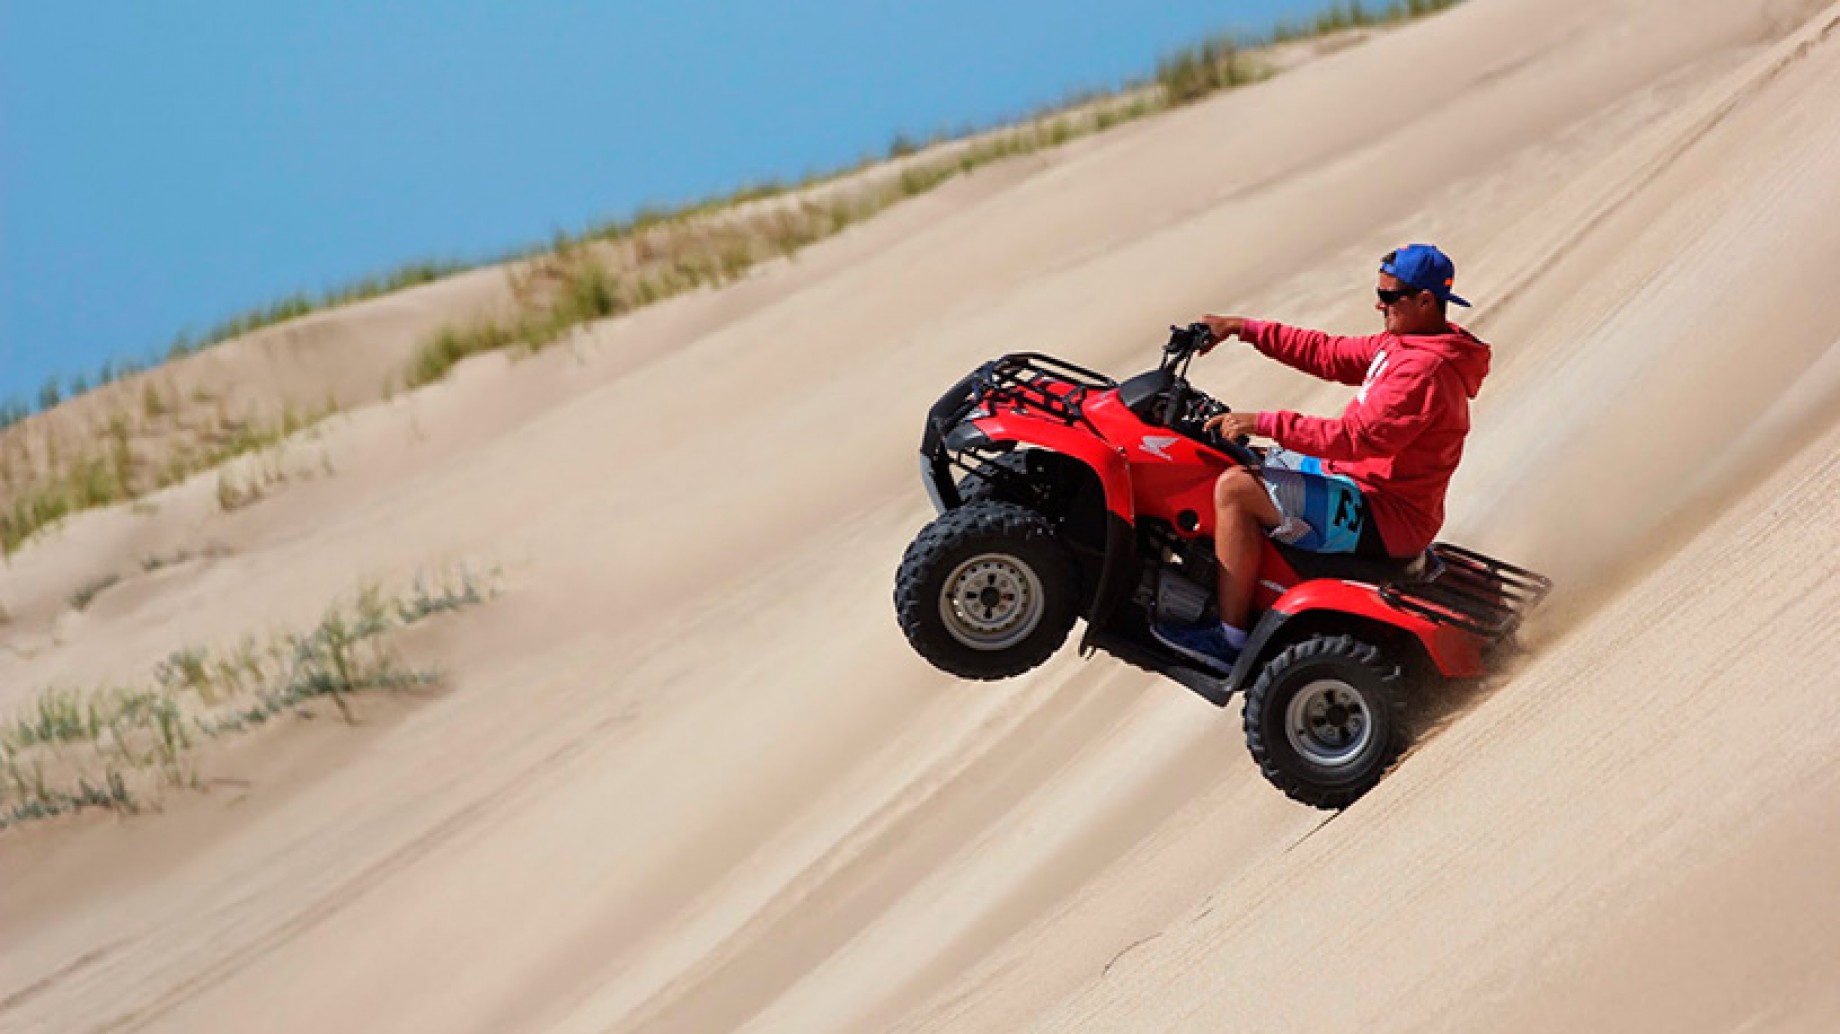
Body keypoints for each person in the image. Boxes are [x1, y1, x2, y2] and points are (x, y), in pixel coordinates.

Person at [1150, 243, 1493, 674]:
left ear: (1425, 301)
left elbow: (1355, 439)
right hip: (1357, 484)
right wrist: (1242, 328)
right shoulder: (1405, 343)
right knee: (1230, 457)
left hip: (1384, 514)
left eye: (1389, 297)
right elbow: (1328, 354)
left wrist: (1264, 420)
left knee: (1236, 489)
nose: (1378, 303)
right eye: (1379, 292)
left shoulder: (1424, 371)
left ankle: (1229, 638)